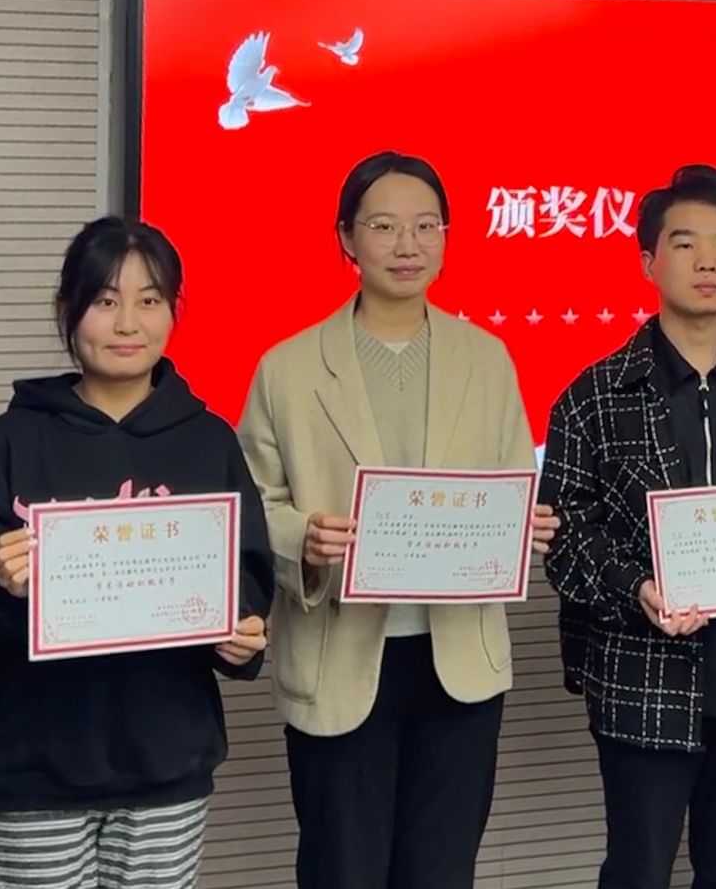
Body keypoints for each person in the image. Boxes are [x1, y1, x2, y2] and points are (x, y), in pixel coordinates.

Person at [238, 151, 558, 889]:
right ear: (347, 238)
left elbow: (511, 480)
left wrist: (522, 526)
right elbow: (255, 507)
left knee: (441, 870)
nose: (407, 244)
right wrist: (302, 539)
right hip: (340, 657)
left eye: (426, 225)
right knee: (341, 869)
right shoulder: (288, 367)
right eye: (384, 226)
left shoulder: (487, 358)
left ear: (447, 237)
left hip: (459, 664)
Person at [0, 217, 271, 889]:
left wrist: (240, 637)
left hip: (166, 768)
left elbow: (247, 576)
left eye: (150, 300)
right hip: (30, 771)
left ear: (174, 311)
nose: (128, 323)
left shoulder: (208, 439)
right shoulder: (13, 439)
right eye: (104, 300)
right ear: (67, 309)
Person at [544, 164, 716, 889]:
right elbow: (567, 538)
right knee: (638, 868)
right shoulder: (594, 395)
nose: (708, 261)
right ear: (648, 260)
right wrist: (636, 586)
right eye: (685, 243)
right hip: (642, 681)